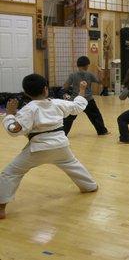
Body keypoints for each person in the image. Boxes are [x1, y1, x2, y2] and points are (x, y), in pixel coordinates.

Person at [1, 75, 98, 219]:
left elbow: (15, 130)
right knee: (71, 163)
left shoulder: (29, 109)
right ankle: (90, 186)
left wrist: (9, 115)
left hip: (38, 149)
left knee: (11, 173)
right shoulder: (57, 103)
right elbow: (78, 106)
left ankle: (1, 207)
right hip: (60, 145)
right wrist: (82, 89)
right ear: (46, 89)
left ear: (26, 93)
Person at [62, 56, 109, 136]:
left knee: (69, 118)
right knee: (96, 116)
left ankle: (62, 134)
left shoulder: (72, 75)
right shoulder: (89, 74)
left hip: (75, 99)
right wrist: (100, 72)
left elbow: (65, 86)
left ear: (78, 65)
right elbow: (101, 82)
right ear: (86, 65)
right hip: (88, 100)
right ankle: (102, 131)